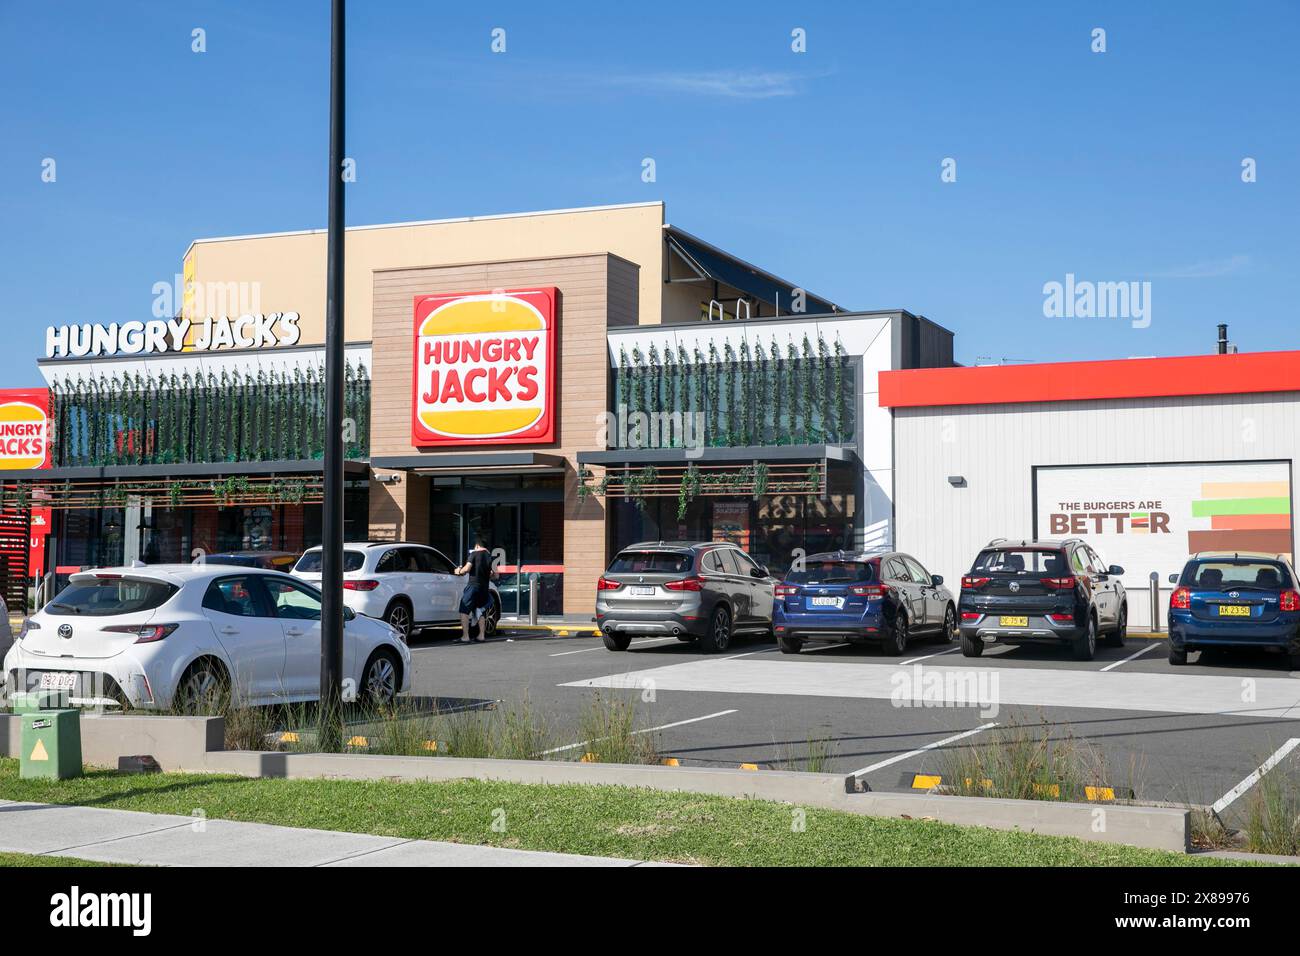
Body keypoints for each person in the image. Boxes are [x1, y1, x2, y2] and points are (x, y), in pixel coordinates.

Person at [455, 538, 497, 643]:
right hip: (484, 588)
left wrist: (459, 571)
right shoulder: (490, 558)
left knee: (464, 610)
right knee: (480, 610)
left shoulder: (474, 554)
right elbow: (496, 575)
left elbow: (467, 569)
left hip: (473, 586)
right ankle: (481, 636)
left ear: (477, 546)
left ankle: (465, 636)